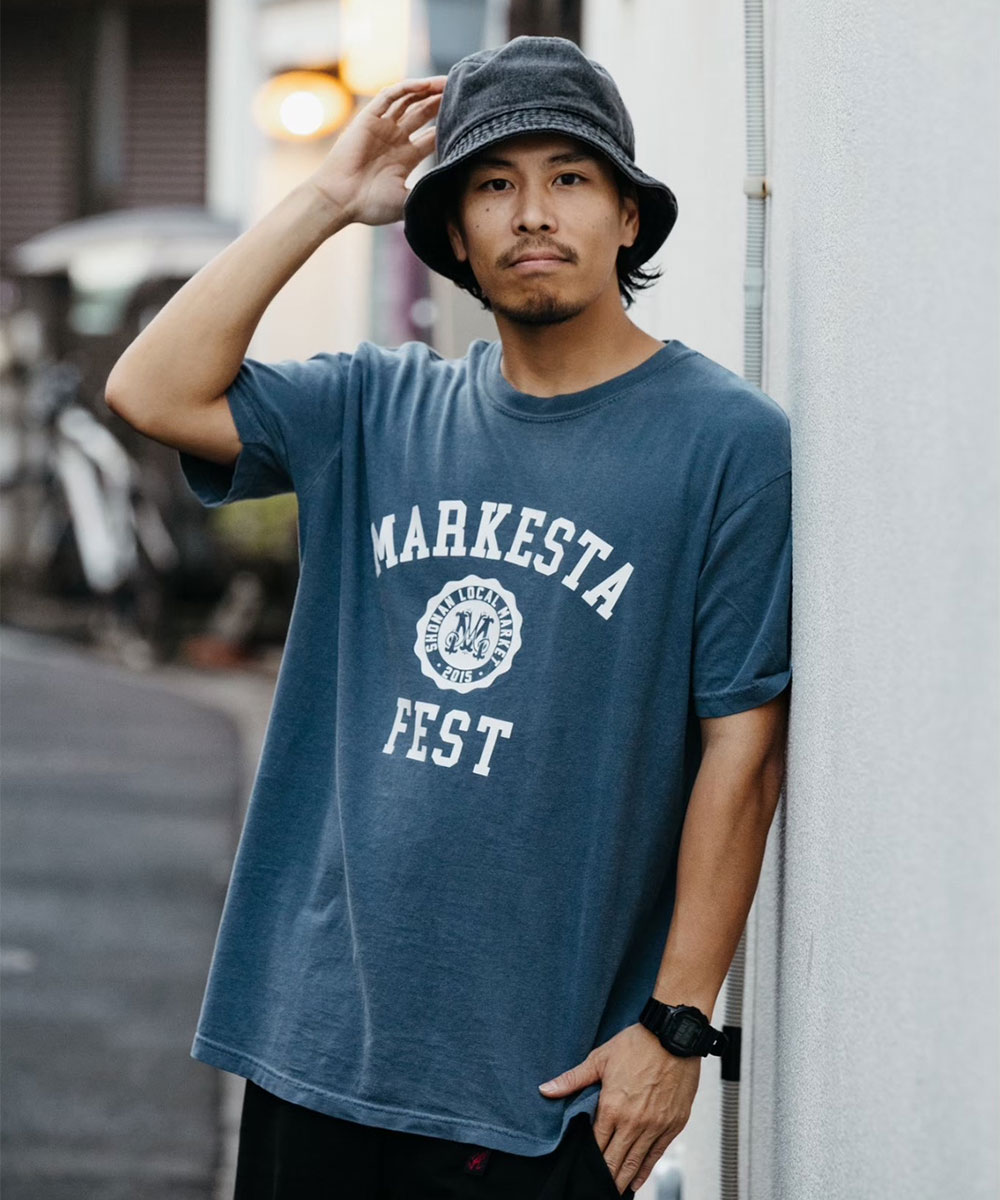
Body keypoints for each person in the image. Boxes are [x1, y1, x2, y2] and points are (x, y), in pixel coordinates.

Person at [104, 34, 792, 1200]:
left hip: (538, 1083)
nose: (533, 213)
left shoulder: (725, 442)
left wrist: (676, 1027)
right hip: (316, 1044)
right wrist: (327, 197)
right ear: (454, 237)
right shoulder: (376, 408)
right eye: (492, 185)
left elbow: (745, 746)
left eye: (569, 177)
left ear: (628, 217)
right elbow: (151, 388)